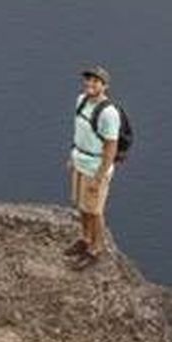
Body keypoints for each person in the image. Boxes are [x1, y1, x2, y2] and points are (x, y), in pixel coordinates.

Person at [66, 65, 120, 269]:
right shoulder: (81, 101)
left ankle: (96, 249)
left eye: (96, 81)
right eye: (88, 80)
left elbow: (111, 147)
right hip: (80, 160)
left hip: (96, 167)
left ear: (105, 86)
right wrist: (73, 155)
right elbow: (79, 130)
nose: (90, 84)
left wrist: (100, 176)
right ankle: (85, 239)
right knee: (81, 205)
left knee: (95, 211)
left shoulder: (109, 113)